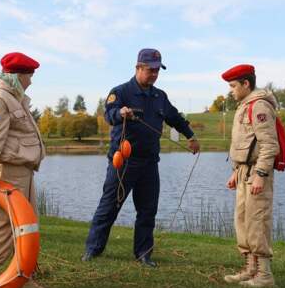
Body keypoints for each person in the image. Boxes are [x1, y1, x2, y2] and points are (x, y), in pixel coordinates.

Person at [82, 48, 200, 267]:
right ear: (138, 67)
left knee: (147, 211)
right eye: (150, 70)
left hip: (149, 164)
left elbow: (175, 118)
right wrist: (120, 113)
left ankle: (143, 254)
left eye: (157, 70)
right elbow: (109, 115)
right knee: (109, 207)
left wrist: (190, 136)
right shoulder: (121, 91)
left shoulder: (160, 97)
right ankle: (92, 249)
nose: (154, 74)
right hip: (123, 163)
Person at [0, 51, 50, 288]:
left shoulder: (12, 96)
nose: (31, 81)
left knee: (27, 225)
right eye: (29, 76)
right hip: (10, 170)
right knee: (10, 224)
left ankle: (23, 275)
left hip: (23, 170)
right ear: (18, 75)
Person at [222, 64, 279, 288]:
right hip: (244, 172)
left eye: (234, 86)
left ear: (246, 84)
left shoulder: (259, 106)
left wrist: (261, 174)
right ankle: (249, 270)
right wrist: (236, 172)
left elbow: (269, 145)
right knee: (243, 221)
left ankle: (264, 276)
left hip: (257, 172)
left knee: (257, 221)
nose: (231, 90)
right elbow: (246, 143)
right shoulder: (244, 105)